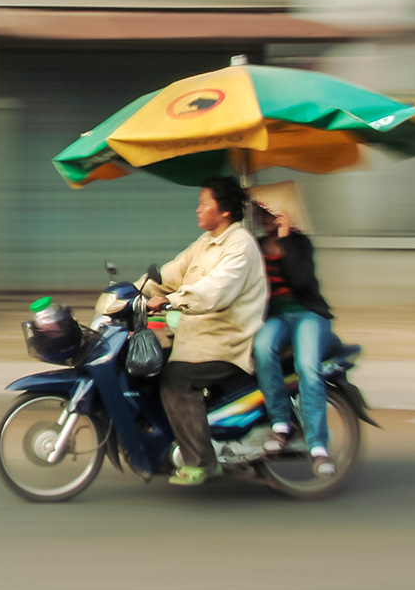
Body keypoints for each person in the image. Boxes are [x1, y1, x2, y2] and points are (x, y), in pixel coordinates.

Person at [144, 176, 267, 487]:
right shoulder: (206, 242)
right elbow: (172, 272)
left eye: (203, 204)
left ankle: (201, 460)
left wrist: (170, 301)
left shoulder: (240, 245)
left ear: (223, 210)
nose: (197, 210)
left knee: (176, 379)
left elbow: (215, 291)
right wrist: (129, 294)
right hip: (198, 335)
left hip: (227, 340)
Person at [248, 183, 338, 478]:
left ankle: (318, 446)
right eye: (259, 212)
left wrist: (285, 241)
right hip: (276, 318)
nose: (262, 217)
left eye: (267, 212)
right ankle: (279, 424)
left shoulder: (300, 244)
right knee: (262, 349)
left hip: (308, 315)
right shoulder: (257, 246)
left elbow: (302, 283)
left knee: (307, 367)